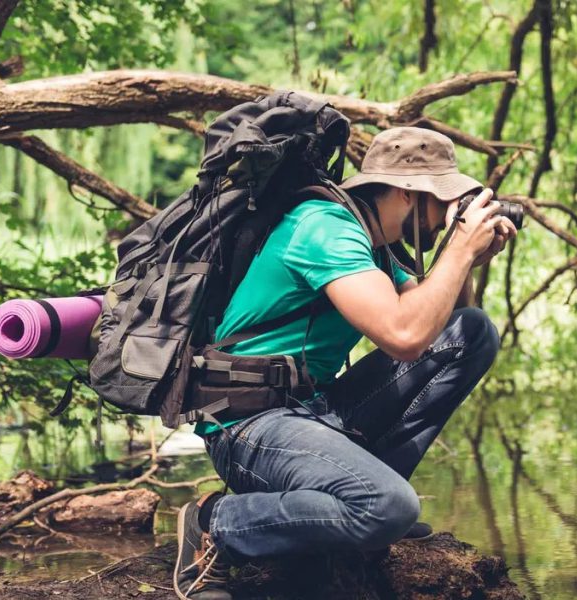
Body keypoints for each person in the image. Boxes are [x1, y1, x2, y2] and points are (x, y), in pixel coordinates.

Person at [172, 127, 517, 600]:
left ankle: (363, 503)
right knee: (389, 508)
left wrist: (466, 261)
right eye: (444, 201)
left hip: (310, 411)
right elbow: (404, 336)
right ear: (407, 193)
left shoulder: (375, 243)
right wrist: (458, 249)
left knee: (472, 332)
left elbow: (439, 327)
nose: (449, 215)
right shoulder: (325, 228)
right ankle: (214, 524)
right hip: (249, 424)